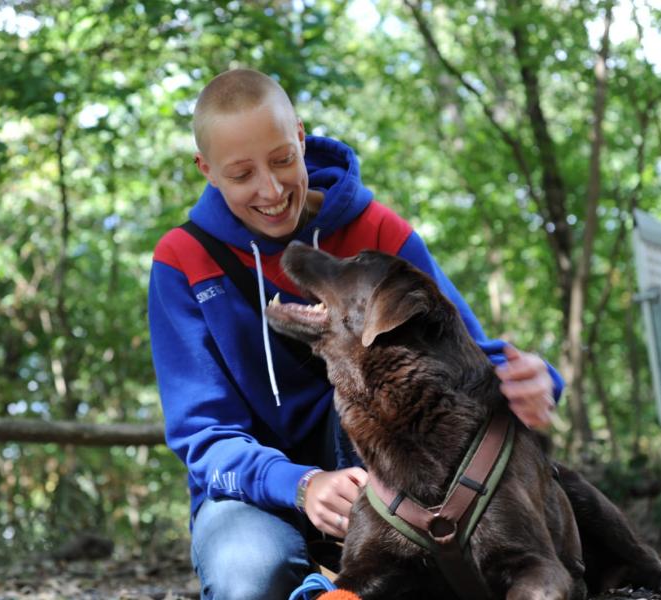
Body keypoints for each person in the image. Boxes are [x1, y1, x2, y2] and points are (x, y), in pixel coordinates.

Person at [148, 68, 563, 600]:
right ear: (206, 170)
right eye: (242, 174)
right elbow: (203, 436)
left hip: (387, 483)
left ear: (300, 136)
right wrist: (300, 486)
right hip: (252, 493)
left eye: (281, 160)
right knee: (249, 577)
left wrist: (536, 380)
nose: (271, 190)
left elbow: (462, 361)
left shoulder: (379, 231)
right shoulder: (180, 261)